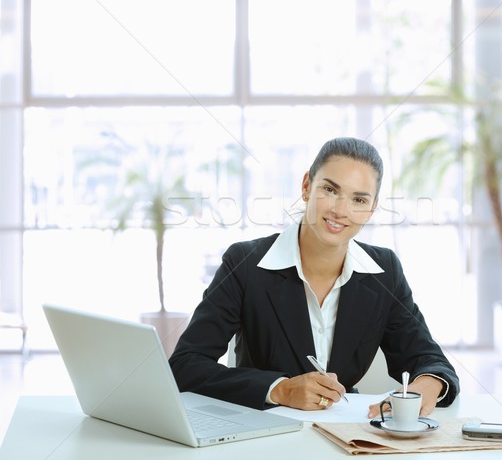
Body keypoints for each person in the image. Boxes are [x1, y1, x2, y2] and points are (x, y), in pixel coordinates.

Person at [170, 137, 459, 417]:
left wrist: (427, 385)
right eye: (330, 190)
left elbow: (428, 359)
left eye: (358, 199)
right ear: (307, 186)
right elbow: (185, 365)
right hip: (264, 430)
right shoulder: (245, 263)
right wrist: (279, 389)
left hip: (346, 434)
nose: (340, 210)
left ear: (371, 210)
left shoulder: (384, 270)